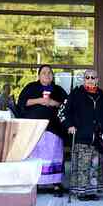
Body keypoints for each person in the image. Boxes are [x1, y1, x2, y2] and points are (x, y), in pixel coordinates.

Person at [17, 64, 68, 197]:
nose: (47, 75)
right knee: (36, 155)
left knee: (53, 154)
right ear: (39, 75)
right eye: (44, 72)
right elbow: (22, 102)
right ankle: (36, 182)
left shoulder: (58, 89)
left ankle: (56, 183)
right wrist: (39, 100)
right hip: (34, 128)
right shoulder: (31, 87)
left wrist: (53, 103)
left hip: (53, 127)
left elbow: (67, 104)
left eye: (49, 72)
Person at [63, 69, 103, 201]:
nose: (90, 79)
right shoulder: (76, 93)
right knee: (82, 166)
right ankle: (81, 192)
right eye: (87, 77)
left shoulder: (102, 96)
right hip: (80, 136)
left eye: (93, 77)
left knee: (94, 166)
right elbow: (65, 112)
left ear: (97, 79)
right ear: (84, 79)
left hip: (96, 138)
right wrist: (69, 125)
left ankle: (92, 192)